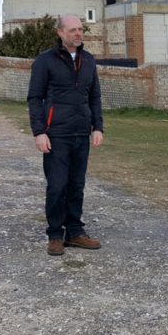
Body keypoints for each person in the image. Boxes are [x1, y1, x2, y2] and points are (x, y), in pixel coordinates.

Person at [27, 15, 105, 256]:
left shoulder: (89, 60)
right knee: (57, 186)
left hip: (81, 133)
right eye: (73, 30)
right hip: (56, 134)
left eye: (80, 29)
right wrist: (39, 132)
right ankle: (55, 235)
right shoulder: (45, 61)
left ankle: (75, 232)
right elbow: (34, 98)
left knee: (76, 185)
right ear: (60, 32)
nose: (78, 34)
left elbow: (94, 97)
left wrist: (98, 127)